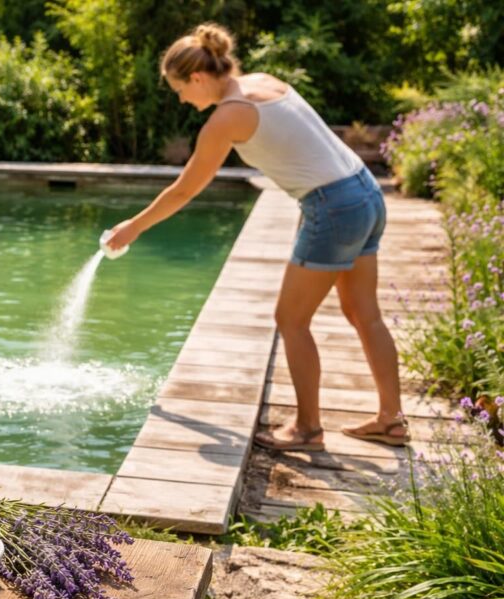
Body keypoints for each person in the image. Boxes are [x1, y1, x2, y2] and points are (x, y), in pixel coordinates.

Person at [105, 23, 408, 450]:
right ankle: (391, 421)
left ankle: (307, 429)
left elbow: (186, 189)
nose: (181, 99)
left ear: (197, 77)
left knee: (291, 319)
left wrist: (132, 227)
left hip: (333, 206)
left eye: (179, 89)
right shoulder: (262, 83)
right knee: (364, 313)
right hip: (364, 191)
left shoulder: (226, 118)